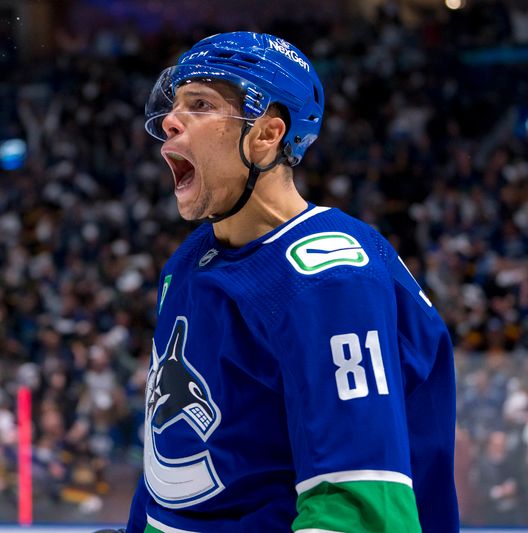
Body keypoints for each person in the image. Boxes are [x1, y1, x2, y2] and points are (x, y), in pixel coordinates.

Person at [121, 32, 458, 532]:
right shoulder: (187, 263)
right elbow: (172, 471)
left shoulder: (332, 279)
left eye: (201, 105)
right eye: (175, 106)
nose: (170, 121)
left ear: (266, 135)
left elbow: (358, 509)